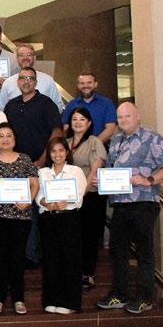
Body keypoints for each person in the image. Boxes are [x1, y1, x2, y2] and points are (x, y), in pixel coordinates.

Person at [96, 103, 163, 315]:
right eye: (120, 117)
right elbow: (113, 169)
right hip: (120, 203)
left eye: (127, 116)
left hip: (143, 202)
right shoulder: (117, 140)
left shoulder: (151, 137)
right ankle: (119, 294)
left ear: (137, 116)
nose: (123, 120)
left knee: (143, 251)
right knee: (117, 250)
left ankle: (144, 297)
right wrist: (102, 181)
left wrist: (150, 179)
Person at [0, 123, 39, 315]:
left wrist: (29, 201)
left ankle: (18, 299)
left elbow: (35, 184)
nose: (5, 139)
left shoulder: (25, 159)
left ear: (15, 139)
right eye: (1, 136)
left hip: (20, 217)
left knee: (17, 259)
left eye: (9, 135)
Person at [36, 138, 85, 315]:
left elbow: (79, 195)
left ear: (67, 152)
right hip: (49, 220)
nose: (57, 154)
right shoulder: (43, 172)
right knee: (50, 260)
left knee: (70, 260)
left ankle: (70, 302)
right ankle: (51, 300)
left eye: (61, 150)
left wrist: (66, 202)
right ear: (49, 154)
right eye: (53, 151)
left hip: (69, 219)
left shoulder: (75, 171)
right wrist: (47, 203)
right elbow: (38, 196)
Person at [65, 107, 107, 290]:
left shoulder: (94, 141)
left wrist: (82, 193)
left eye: (82, 119)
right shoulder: (66, 143)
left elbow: (95, 169)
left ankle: (88, 274)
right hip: (70, 198)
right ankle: (74, 272)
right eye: (74, 119)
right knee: (73, 236)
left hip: (89, 197)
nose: (78, 122)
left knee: (89, 236)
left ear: (89, 123)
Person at [3, 67, 62, 167]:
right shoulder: (11, 105)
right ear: (18, 82)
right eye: (23, 78)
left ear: (35, 82)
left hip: (40, 164)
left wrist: (42, 161)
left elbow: (57, 133)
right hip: (14, 164)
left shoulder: (46, 104)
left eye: (30, 78)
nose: (26, 82)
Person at [0, 44, 64, 111]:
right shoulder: (8, 83)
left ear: (34, 58)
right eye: (21, 55)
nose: (25, 58)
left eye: (29, 55)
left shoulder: (48, 80)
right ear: (17, 59)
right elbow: (2, 109)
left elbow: (58, 105)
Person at [61, 72, 117, 144]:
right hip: (76, 147)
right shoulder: (71, 105)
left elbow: (110, 128)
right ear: (78, 86)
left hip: (101, 147)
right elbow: (66, 128)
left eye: (89, 83)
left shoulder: (107, 103)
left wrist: (92, 145)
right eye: (82, 83)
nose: (85, 86)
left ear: (95, 84)